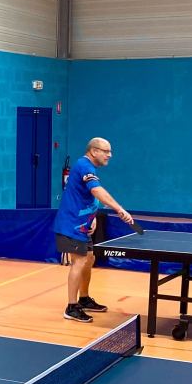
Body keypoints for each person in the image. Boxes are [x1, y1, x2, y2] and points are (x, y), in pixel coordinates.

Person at [53, 137, 134, 323]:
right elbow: (96, 190)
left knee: (89, 258)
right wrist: (119, 209)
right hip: (71, 224)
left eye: (110, 151)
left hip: (84, 225)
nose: (109, 155)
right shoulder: (84, 166)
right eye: (106, 151)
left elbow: (87, 196)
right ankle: (71, 307)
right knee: (79, 261)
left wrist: (93, 217)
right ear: (94, 151)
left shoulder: (89, 167)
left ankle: (84, 298)